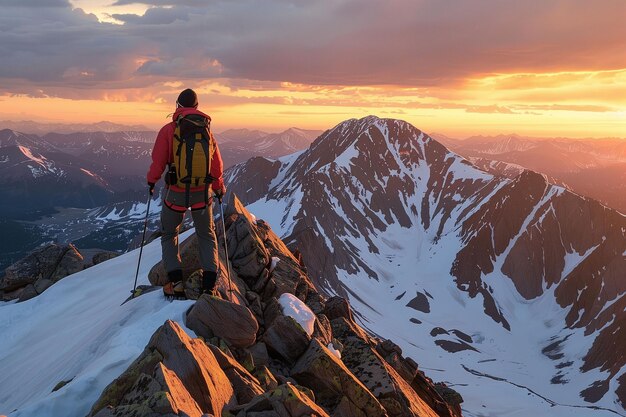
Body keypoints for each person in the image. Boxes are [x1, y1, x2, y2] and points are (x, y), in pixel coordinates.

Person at [147, 88, 226, 298]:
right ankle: (209, 286)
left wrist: (151, 181)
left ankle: (176, 283)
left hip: (176, 192)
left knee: (170, 234)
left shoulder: (169, 130)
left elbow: (158, 162)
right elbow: (216, 165)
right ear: (197, 107)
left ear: (178, 106)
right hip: (202, 193)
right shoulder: (207, 131)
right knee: (206, 235)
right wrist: (218, 187)